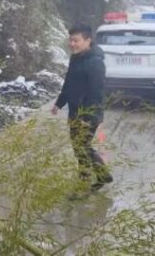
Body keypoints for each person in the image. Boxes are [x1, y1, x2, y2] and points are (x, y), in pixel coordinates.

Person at [51, 24, 113, 192]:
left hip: (87, 114)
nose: (72, 44)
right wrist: (59, 103)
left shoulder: (95, 63)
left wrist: (89, 118)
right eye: (70, 40)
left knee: (82, 147)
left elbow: (97, 94)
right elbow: (69, 83)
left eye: (76, 40)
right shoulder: (76, 58)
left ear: (88, 40)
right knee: (79, 147)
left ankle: (85, 183)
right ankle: (100, 176)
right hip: (75, 111)